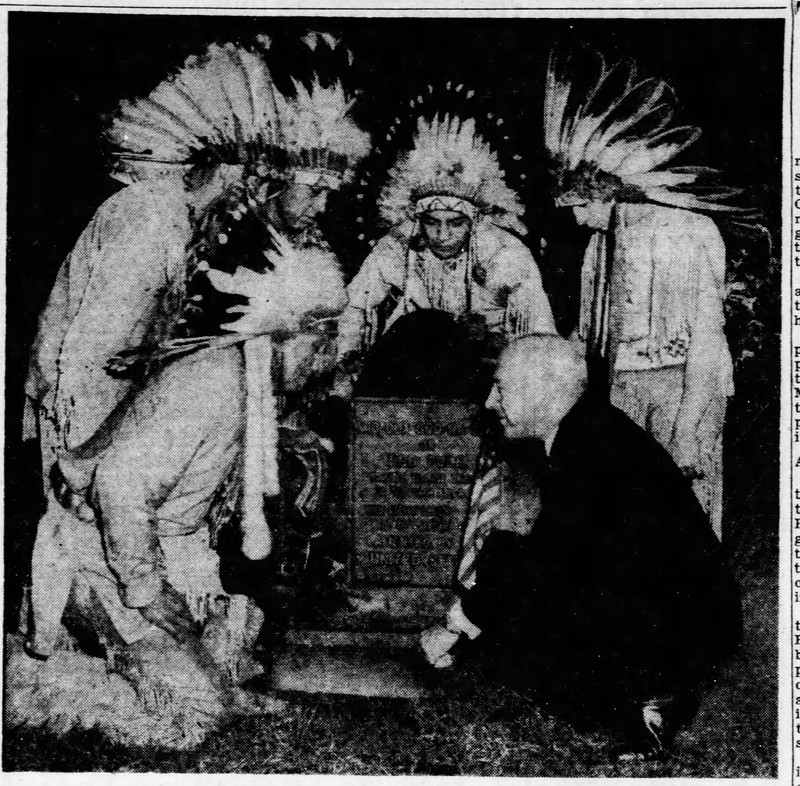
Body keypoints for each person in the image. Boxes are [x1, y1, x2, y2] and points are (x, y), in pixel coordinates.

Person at [19, 40, 370, 742]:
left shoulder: (196, 227)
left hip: (144, 461)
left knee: (221, 650)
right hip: (98, 449)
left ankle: (133, 616)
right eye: (296, 179)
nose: (313, 196)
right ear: (243, 169)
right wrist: (83, 460)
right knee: (176, 683)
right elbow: (91, 360)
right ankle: (90, 623)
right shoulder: (150, 218)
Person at [420, 335, 742, 758]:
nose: (489, 402)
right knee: (504, 554)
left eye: (501, 387)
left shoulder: (590, 446)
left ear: (544, 388)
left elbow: (553, 559)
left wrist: (457, 623)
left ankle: (655, 702)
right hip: (678, 602)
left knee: (528, 607)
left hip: (685, 622)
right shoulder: (585, 429)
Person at [542, 48, 752, 539]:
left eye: (580, 203)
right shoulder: (598, 246)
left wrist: (687, 424)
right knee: (628, 516)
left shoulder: (687, 232)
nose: (574, 217)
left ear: (608, 192)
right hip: (620, 390)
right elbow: (586, 335)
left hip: (682, 388)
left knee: (686, 513)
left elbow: (707, 341)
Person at [335, 112, 556, 399]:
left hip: (491, 377)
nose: (442, 234)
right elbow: (354, 307)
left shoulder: (506, 253)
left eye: (455, 223)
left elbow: (539, 332)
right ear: (418, 219)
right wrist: (349, 354)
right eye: (431, 222)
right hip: (409, 372)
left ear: (473, 221)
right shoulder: (396, 246)